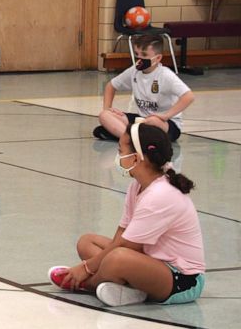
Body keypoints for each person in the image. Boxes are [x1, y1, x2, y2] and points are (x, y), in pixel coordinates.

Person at [49, 123, 205, 307]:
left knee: (117, 258)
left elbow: (127, 247)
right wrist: (92, 264)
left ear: (137, 158)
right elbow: (120, 237)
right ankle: (131, 289)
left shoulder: (161, 194)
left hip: (182, 280)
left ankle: (85, 284)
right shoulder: (137, 185)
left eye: (121, 150)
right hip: (150, 260)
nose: (118, 156)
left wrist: (86, 268)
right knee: (87, 242)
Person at [94, 35, 194, 142]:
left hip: (166, 123)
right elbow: (111, 86)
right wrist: (108, 108)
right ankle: (132, 139)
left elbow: (189, 96)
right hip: (142, 119)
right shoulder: (134, 71)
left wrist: (166, 116)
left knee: (152, 121)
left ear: (158, 58)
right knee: (104, 115)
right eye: (137, 54)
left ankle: (126, 135)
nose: (139, 58)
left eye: (144, 55)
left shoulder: (165, 75)